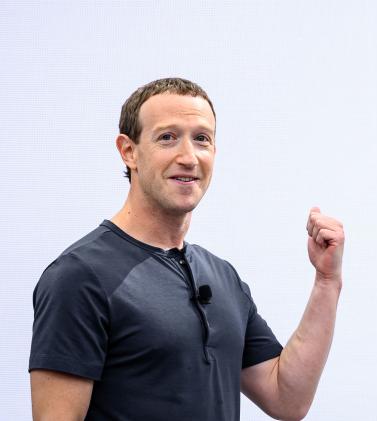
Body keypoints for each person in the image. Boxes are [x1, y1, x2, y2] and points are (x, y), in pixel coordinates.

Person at [29, 78, 345, 421]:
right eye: (167, 137)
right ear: (129, 151)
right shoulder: (79, 276)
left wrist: (326, 281)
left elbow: (287, 398)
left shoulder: (223, 277)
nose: (188, 157)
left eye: (201, 139)